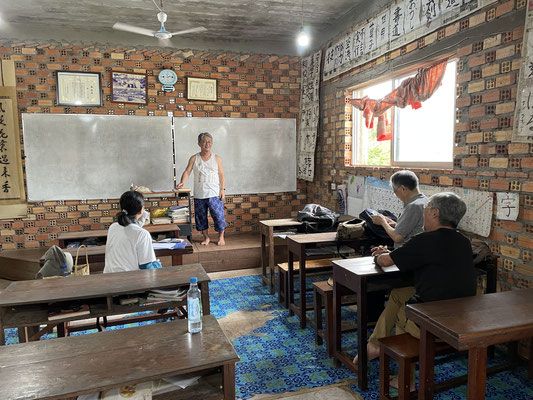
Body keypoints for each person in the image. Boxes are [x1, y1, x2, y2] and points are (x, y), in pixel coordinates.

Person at [353, 192, 477, 382]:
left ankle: (405, 380)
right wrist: (393, 253)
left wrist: (379, 255)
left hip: (434, 324)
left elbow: (386, 262)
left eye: (426, 209)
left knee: (404, 312)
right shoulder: (463, 241)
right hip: (463, 316)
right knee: (399, 294)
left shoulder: (424, 240)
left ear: (435, 213)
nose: (424, 214)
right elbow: (422, 256)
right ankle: (375, 345)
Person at [177, 132, 226, 246]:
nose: (207, 144)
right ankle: (206, 237)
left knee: (219, 216)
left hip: (214, 193)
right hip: (199, 194)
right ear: (199, 143)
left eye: (209, 142)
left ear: (212, 144)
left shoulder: (217, 158)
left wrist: (222, 189)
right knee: (201, 218)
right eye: (204, 141)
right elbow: (187, 171)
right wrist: (182, 182)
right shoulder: (194, 158)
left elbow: (221, 174)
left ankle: (221, 237)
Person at [103, 190, 162, 273]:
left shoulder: (113, 227)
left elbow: (132, 228)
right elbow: (146, 266)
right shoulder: (142, 234)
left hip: (108, 278)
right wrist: (157, 264)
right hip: (129, 282)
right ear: (141, 210)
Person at [371, 170, 428, 250]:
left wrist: (382, 222)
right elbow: (415, 227)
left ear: (403, 188)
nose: (396, 195)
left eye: (395, 191)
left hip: (408, 254)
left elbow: (397, 237)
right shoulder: (425, 200)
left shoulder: (413, 206)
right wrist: (396, 224)